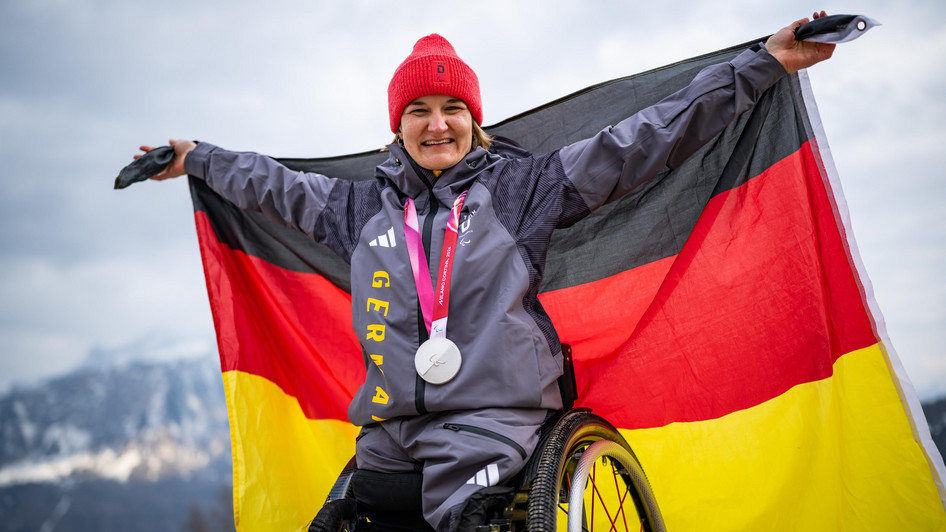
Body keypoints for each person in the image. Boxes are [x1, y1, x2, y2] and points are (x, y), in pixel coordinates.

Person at [138, 13, 834, 531]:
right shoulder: (358, 209)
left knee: (465, 518)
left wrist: (764, 64)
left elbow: (643, 140)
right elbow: (269, 184)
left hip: (499, 422)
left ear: (475, 120)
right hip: (396, 430)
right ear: (397, 125)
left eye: (452, 110)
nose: (437, 124)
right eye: (419, 111)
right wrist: (196, 157)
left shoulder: (523, 190)